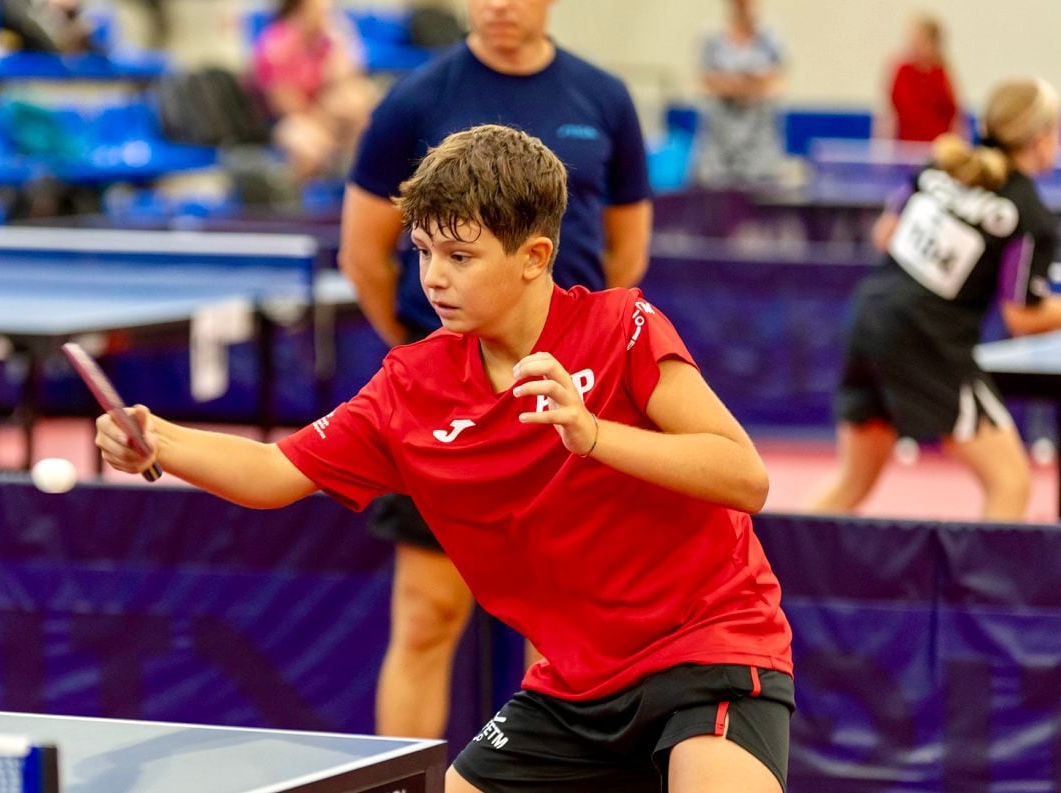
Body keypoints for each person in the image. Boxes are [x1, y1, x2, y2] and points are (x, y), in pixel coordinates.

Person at [98, 124, 792, 793]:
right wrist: (158, 437)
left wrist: (594, 435)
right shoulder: (411, 387)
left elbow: (744, 476)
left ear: (534, 256)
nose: (434, 277)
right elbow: (274, 473)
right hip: (575, 686)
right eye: (424, 252)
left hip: (709, 650)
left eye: (460, 257)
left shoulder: (622, 328)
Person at [338, 0, 652, 740]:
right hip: (451, 403)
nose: (498, 6)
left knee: (561, 636)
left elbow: (626, 253)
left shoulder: (603, 99)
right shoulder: (416, 99)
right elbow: (364, 252)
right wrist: (437, 347)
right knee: (425, 616)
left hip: (564, 399)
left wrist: (573, 340)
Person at [812, 77, 1061, 520]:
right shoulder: (1028, 214)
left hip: (870, 320)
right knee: (1010, 484)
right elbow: (1021, 315)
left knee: (852, 483)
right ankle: (980, 593)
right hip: (927, 340)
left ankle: (769, 579)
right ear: (1040, 139)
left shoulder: (939, 168)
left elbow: (884, 234)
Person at [251, 0, 376, 180]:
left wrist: (343, 40)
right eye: (322, 10)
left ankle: (354, 186)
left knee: (358, 103)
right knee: (307, 142)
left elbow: (349, 79)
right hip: (285, 121)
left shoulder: (324, 40)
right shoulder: (276, 44)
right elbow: (289, 107)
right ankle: (302, 201)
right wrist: (326, 122)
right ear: (301, 10)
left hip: (319, 113)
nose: (328, 16)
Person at [693, 0, 785, 188]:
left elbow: (773, 84)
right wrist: (750, 82)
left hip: (759, 145)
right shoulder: (712, 38)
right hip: (719, 146)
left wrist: (730, 82)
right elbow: (708, 83)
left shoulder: (770, 38)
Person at [879, 14, 963, 143]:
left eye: (921, 41)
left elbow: (956, 118)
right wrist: (882, 147)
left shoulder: (942, 75)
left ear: (934, 43)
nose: (915, 45)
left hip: (937, 149)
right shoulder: (902, 72)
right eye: (913, 40)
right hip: (906, 150)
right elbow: (890, 115)